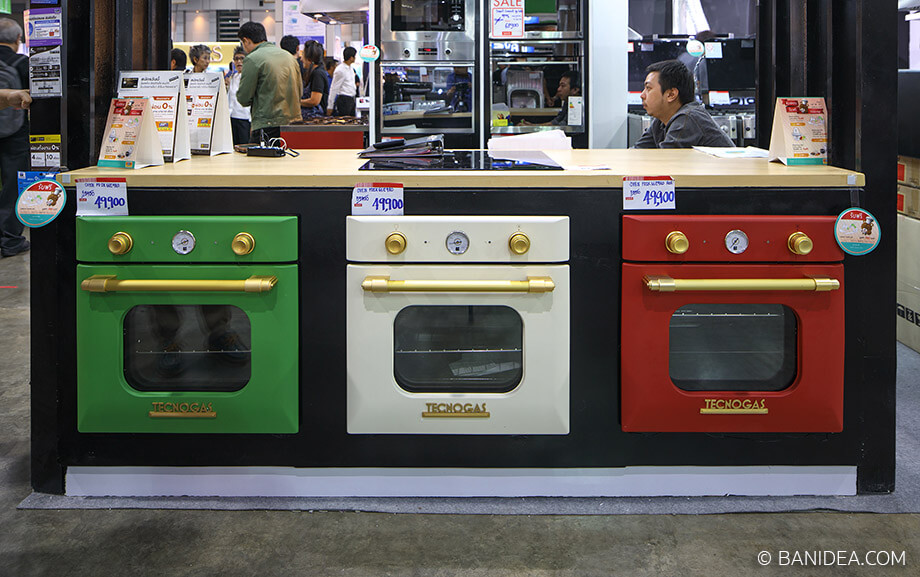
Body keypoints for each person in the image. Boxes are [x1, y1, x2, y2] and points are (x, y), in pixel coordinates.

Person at [633, 59, 734, 149]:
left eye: (648, 88)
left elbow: (665, 160)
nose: (642, 95)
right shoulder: (661, 121)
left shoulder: (687, 118)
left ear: (671, 94)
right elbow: (637, 152)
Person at [235, 21, 302, 144]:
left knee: (263, 157)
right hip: (293, 124)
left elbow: (244, 98)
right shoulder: (289, 57)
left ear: (246, 40)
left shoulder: (253, 59)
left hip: (266, 125)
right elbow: (300, 91)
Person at [0, 19, 30, 258]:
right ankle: (10, 239)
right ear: (18, 39)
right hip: (16, 133)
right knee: (13, 185)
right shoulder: (22, 63)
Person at [225, 45, 251, 146]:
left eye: (242, 58)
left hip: (245, 118)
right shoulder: (233, 77)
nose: (239, 62)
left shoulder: (249, 77)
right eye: (236, 59)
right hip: (232, 117)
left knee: (244, 147)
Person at [299, 40, 329, 119]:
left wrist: (296, 103)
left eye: (303, 55)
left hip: (315, 118)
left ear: (309, 59)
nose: (301, 59)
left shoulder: (318, 74)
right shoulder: (314, 72)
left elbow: (314, 101)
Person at [327, 47, 357, 117]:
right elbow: (334, 88)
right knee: (344, 121)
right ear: (351, 58)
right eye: (354, 56)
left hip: (351, 98)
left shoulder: (351, 69)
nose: (355, 58)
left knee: (352, 120)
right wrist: (330, 106)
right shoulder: (340, 70)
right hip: (344, 100)